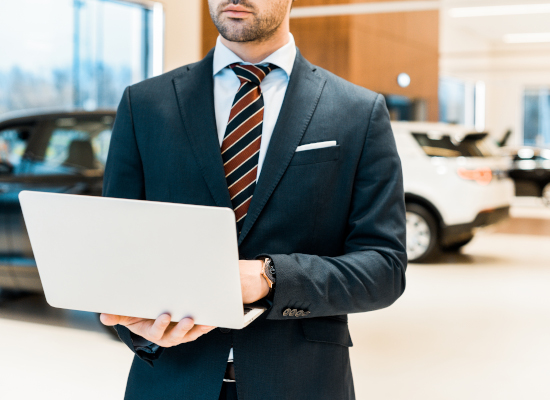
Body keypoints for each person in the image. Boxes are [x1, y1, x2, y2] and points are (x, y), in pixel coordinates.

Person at [100, 0, 407, 399]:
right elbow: (112, 251)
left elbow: (384, 268)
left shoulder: (357, 112)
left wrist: (269, 277)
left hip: (301, 383)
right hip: (170, 381)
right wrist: (137, 329)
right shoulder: (143, 105)